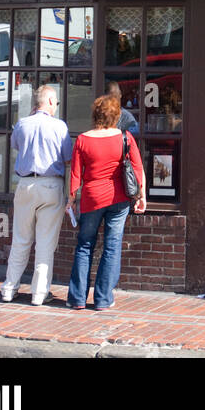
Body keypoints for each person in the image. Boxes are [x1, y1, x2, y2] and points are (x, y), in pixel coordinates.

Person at [66, 93, 146, 311]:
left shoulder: (83, 139)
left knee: (84, 245)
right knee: (112, 247)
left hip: (91, 198)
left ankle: (77, 298)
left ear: (95, 115)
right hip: (118, 198)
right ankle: (102, 299)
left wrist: (72, 199)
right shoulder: (125, 138)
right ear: (116, 116)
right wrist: (141, 197)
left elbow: (75, 174)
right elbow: (137, 168)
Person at [0, 83, 72, 306]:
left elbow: (16, 146)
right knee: (45, 243)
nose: (56, 106)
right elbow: (67, 159)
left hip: (25, 184)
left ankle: (9, 289)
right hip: (51, 184)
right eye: (56, 102)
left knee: (20, 239)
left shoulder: (22, 124)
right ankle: (39, 294)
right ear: (50, 101)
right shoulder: (59, 127)